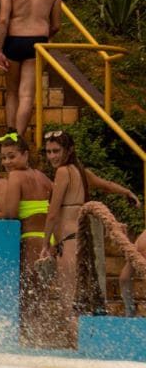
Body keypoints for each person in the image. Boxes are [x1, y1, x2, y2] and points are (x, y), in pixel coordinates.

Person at [40, 130, 140, 322]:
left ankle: (77, 346)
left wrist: (46, 244)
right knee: (84, 300)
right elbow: (107, 185)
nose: (52, 156)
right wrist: (127, 192)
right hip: (83, 242)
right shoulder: (81, 172)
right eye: (48, 151)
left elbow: (52, 214)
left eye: (56, 151)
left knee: (68, 302)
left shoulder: (62, 172)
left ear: (69, 150)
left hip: (69, 242)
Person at [0, 0, 62, 138]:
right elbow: (56, 25)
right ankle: (19, 137)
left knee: (12, 92)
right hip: (38, 43)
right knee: (27, 94)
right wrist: (43, 34)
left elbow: (3, 20)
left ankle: (10, 132)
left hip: (14, 41)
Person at [0, 134, 54, 343]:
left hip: (29, 239)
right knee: (41, 294)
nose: (7, 162)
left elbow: (10, 214)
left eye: (12, 156)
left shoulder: (16, 177)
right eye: (4, 158)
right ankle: (43, 338)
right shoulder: (43, 177)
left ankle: (28, 340)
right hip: (48, 241)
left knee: (27, 294)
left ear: (26, 154)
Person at [119, 231, 146, 317]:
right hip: (140, 245)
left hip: (141, 243)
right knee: (125, 278)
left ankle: (129, 311)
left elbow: (124, 278)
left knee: (125, 278)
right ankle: (129, 311)